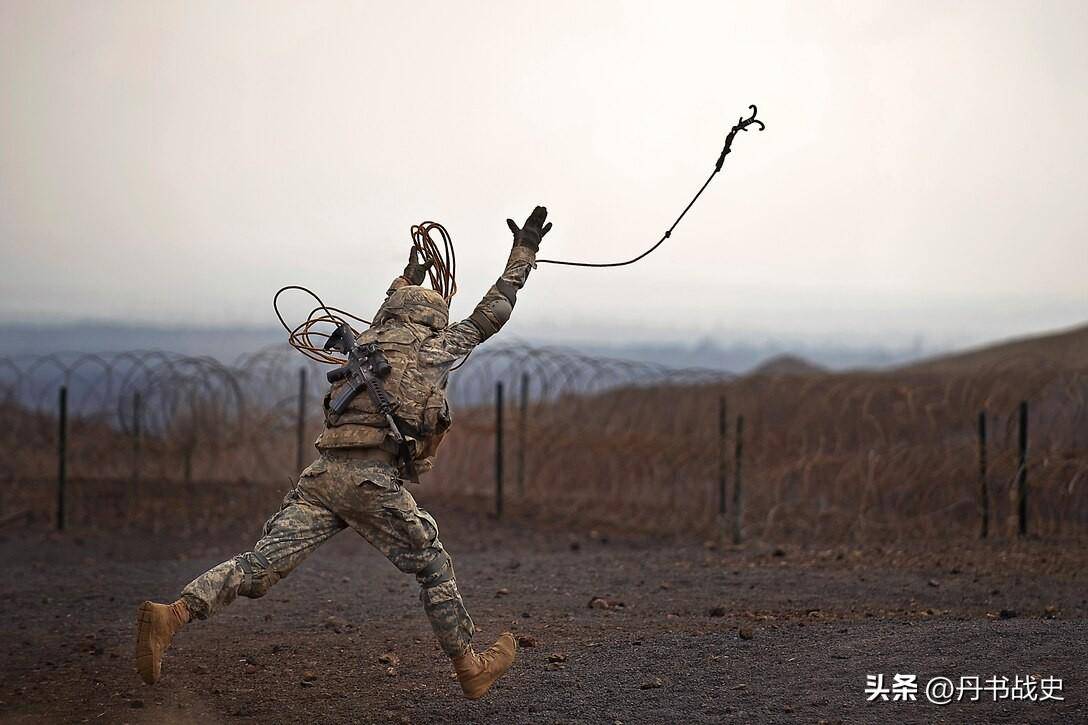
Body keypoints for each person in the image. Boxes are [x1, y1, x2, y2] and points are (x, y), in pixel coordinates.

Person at [135, 206, 553, 699]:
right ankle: (470, 668)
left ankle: (175, 613)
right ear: (434, 315)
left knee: (259, 566)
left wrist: (409, 275)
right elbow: (494, 311)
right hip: (370, 481)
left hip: (320, 478)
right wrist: (523, 254)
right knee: (433, 566)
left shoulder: (364, 345)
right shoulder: (436, 346)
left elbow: (387, 308)